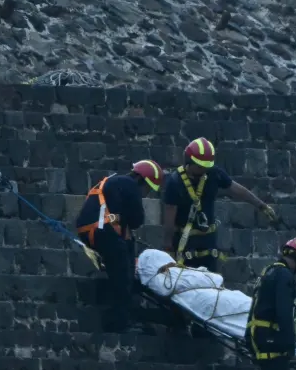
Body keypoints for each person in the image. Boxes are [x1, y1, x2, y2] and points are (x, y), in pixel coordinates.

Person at [161, 137, 277, 273]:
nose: (204, 169)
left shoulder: (213, 174)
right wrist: (167, 248)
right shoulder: (175, 183)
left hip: (208, 243)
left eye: (206, 166)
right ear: (189, 162)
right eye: (200, 166)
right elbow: (169, 218)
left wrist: (261, 205)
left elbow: (238, 191)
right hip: (185, 245)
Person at [74, 159, 164, 333]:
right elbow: (137, 219)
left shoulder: (113, 181)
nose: (146, 194)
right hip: (102, 231)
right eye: (148, 189)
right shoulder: (129, 185)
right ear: (141, 180)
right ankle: (120, 322)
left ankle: (121, 314)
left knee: (123, 258)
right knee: (123, 273)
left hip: (90, 230)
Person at [247, 237, 296, 370]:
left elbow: (254, 306)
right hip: (273, 343)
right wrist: (290, 346)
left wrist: (247, 338)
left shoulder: (268, 271)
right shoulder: (284, 276)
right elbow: (284, 313)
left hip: (259, 338)